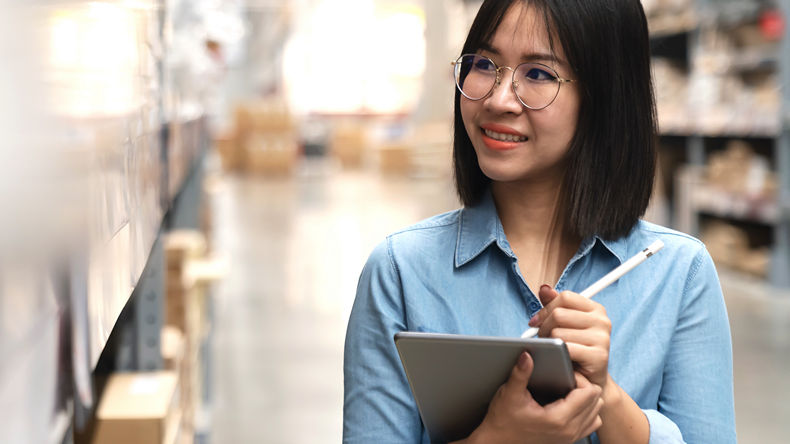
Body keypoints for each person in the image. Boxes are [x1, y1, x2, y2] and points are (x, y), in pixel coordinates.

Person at [343, 0, 736, 443]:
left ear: (604, 98)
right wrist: (498, 436)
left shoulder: (679, 274)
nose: (498, 98)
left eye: (539, 74)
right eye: (484, 64)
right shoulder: (400, 272)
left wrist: (605, 397)